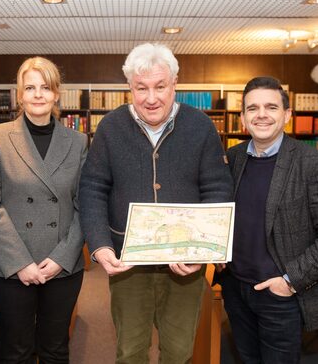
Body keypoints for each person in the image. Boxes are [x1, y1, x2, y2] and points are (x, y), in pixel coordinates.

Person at [79, 43, 233, 364]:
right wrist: (100, 246)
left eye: (160, 87)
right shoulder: (110, 127)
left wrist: (203, 252)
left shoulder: (200, 125)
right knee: (130, 351)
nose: (151, 98)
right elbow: (93, 188)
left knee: (179, 352)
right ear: (129, 89)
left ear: (175, 83)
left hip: (185, 265)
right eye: (141, 88)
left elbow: (217, 188)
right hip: (127, 265)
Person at [218, 76, 318, 364]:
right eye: (252, 108)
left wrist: (289, 281)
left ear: (287, 115)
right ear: (242, 117)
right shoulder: (234, 157)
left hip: (281, 295)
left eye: (271, 107)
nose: (262, 115)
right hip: (236, 288)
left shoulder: (314, 164)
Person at [0, 56, 87, 364]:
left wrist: (61, 258)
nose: (38, 94)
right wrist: (21, 263)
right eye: (30, 87)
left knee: (55, 350)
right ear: (19, 94)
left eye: (45, 87)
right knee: (16, 351)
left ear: (56, 93)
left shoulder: (78, 141)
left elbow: (84, 205)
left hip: (62, 266)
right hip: (9, 267)